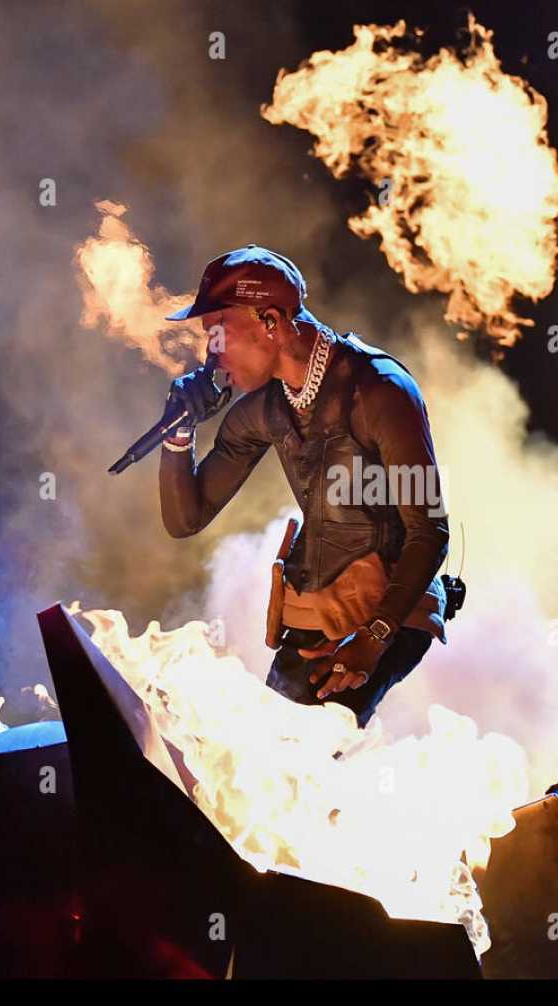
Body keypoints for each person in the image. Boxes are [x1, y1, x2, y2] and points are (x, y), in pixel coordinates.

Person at [156, 244, 450, 726]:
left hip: (392, 609)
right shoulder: (265, 409)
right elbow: (186, 518)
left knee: (310, 752)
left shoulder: (380, 390)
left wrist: (374, 636)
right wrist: (180, 430)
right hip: (321, 613)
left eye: (218, 333)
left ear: (270, 321)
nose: (212, 351)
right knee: (266, 755)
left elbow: (430, 532)